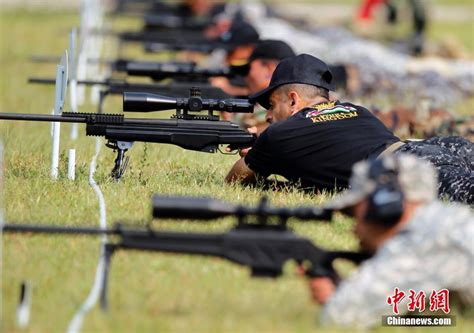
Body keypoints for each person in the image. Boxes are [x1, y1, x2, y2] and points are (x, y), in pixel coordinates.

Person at [225, 54, 474, 204]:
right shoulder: (354, 109)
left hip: (403, 172)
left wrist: (256, 151)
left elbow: (235, 181)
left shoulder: (281, 134)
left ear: (292, 100)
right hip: (433, 147)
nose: (268, 115)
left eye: (271, 104)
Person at [309, 154, 473, 329]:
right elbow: (441, 318)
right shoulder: (446, 222)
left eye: (355, 213)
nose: (354, 229)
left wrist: (330, 296)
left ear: (384, 204)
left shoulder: (424, 240)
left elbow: (341, 317)